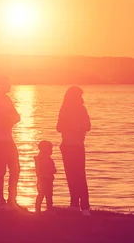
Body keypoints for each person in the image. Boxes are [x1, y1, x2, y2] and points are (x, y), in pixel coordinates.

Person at [56, 86, 91, 216]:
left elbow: (88, 126)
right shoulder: (64, 109)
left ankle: (85, 207)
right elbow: (59, 127)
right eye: (78, 95)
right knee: (70, 175)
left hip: (77, 146)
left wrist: (76, 128)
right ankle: (74, 204)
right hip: (67, 145)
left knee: (80, 176)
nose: (80, 98)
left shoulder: (82, 110)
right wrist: (73, 127)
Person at [0, 75, 21, 208]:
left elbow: (16, 117)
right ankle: (2, 201)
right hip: (0, 139)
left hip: (6, 138)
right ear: (0, 85)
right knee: (4, 170)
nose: (10, 85)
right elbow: (4, 119)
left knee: (13, 169)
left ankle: (11, 199)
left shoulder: (5, 99)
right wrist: (10, 120)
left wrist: (10, 120)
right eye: (7, 83)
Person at [34, 140, 56, 212]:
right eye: (50, 148)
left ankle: (49, 209)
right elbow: (38, 170)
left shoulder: (48, 159)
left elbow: (54, 170)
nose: (51, 150)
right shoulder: (40, 159)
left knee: (48, 195)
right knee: (42, 194)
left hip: (48, 180)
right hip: (42, 180)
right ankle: (38, 210)